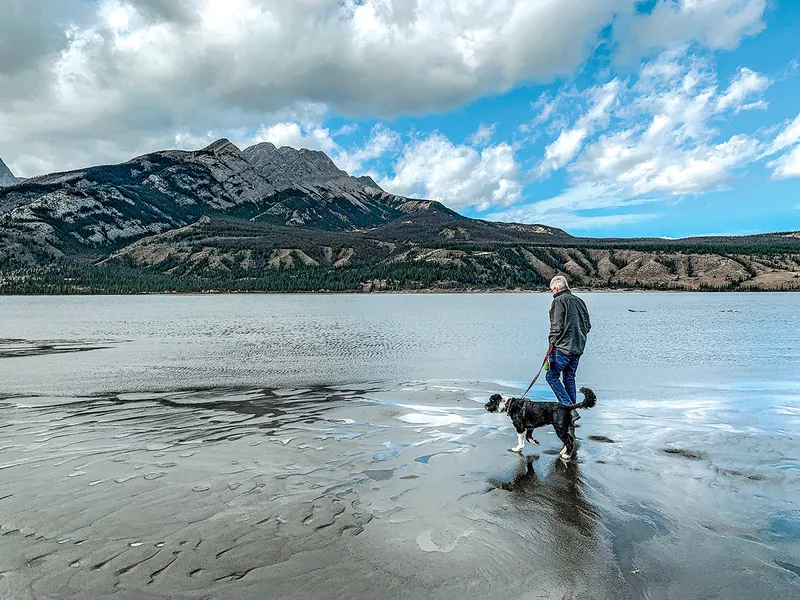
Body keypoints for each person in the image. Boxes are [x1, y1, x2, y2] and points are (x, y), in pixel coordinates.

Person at [545, 275, 591, 421]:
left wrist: (551, 345)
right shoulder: (579, 301)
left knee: (551, 376)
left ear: (557, 288)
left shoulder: (558, 301)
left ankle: (568, 408)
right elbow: (587, 326)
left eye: (552, 290)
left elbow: (556, 327)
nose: (552, 293)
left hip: (562, 348)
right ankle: (572, 412)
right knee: (569, 378)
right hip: (578, 347)